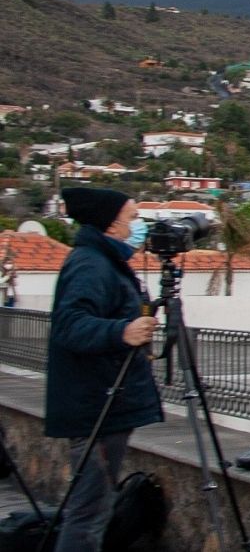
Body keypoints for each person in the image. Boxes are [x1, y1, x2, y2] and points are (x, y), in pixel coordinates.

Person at [46, 187, 162, 552]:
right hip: (96, 403)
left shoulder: (103, 260)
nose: (137, 225)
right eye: (132, 217)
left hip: (104, 399)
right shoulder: (91, 264)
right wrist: (121, 332)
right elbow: (69, 325)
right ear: (111, 224)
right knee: (88, 512)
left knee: (94, 507)